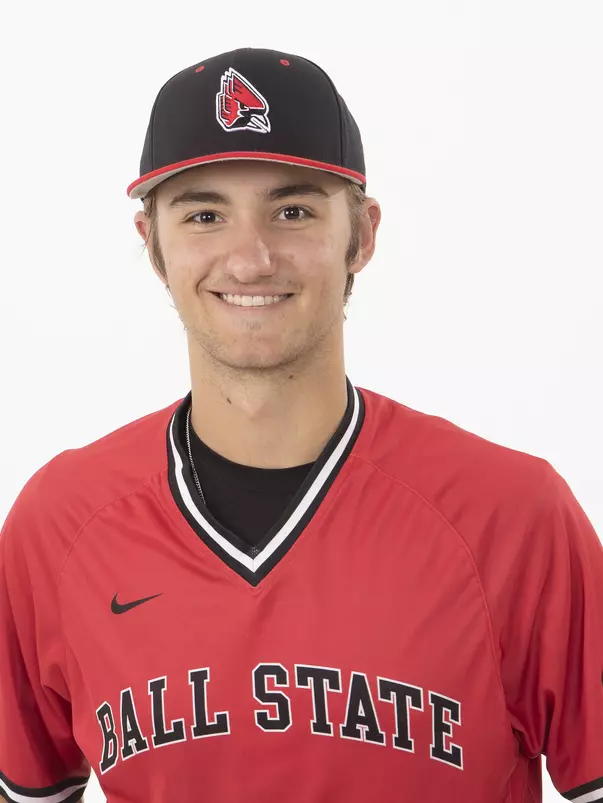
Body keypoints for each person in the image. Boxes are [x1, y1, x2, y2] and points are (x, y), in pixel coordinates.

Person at [0, 47, 602, 803]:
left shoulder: (514, 517)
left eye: (293, 210)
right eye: (204, 214)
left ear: (363, 234)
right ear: (152, 243)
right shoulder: (59, 524)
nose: (250, 259)